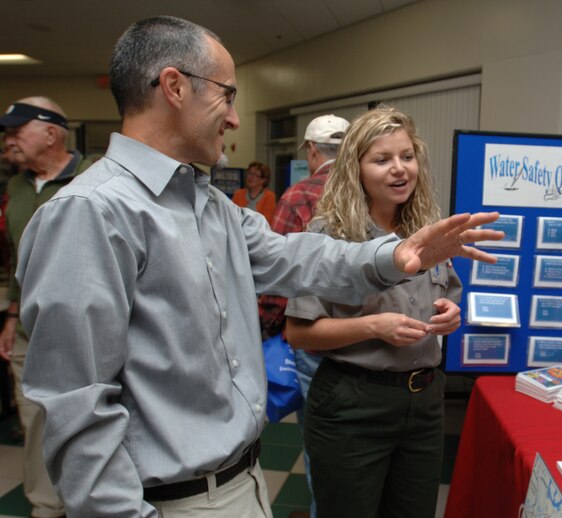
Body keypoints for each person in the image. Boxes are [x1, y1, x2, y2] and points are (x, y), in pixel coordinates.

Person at [14, 16, 502, 518]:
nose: (235, 118)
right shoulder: (91, 212)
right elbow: (77, 405)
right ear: (175, 87)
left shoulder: (207, 204)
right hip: (168, 503)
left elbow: (293, 257)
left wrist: (396, 255)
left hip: (242, 483)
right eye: (227, 95)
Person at [285, 106, 463, 518]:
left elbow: (446, 295)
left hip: (424, 401)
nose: (399, 169)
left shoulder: (428, 230)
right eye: (382, 160)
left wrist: (450, 314)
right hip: (353, 404)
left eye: (407, 156)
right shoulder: (329, 235)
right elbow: (298, 333)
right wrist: (372, 327)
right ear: (356, 168)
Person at [0, 97, 92, 518]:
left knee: (89, 420)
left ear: (52, 133)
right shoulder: (17, 187)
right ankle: (45, 506)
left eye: (18, 130)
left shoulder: (92, 175)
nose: (9, 140)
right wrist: (13, 315)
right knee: (34, 418)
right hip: (28, 331)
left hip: (84, 331)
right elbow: (18, 260)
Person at [259, 112, 349, 518]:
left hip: (313, 337)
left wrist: (263, 330)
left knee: (320, 444)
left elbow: (277, 278)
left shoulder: (297, 197)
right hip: (370, 341)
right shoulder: (371, 188)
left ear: (312, 151)